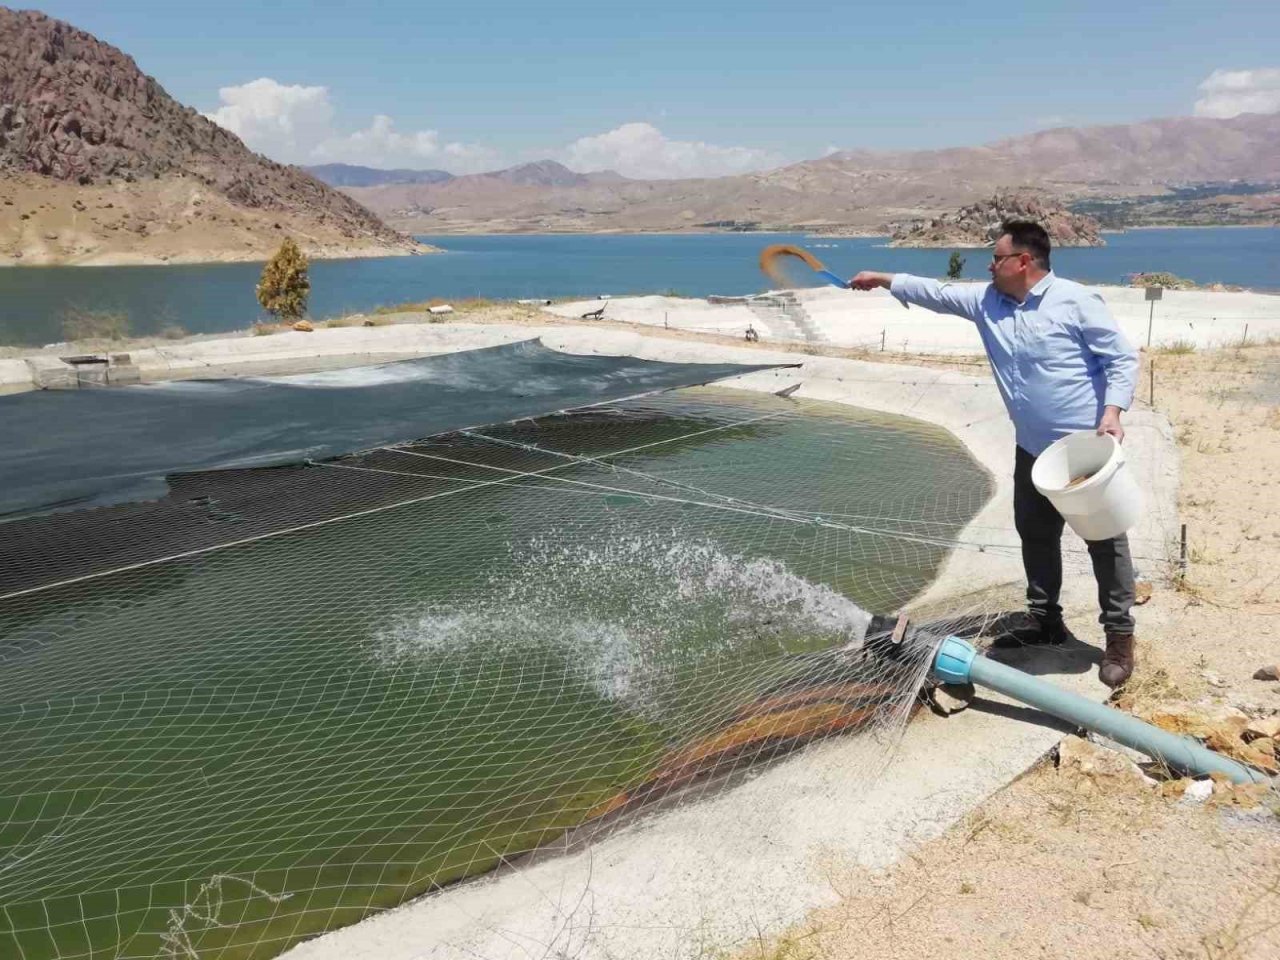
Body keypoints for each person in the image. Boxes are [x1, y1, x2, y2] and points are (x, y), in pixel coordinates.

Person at [849, 221, 1141, 687]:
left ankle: (1119, 639)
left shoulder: (1076, 301)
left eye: (997, 256)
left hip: (1085, 451)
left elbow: (1121, 359)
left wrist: (1113, 412)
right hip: (1032, 452)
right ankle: (1046, 622)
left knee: (1105, 544)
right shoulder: (988, 302)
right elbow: (938, 292)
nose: (989, 264)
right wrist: (883, 279)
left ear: (1023, 261)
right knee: (1035, 535)